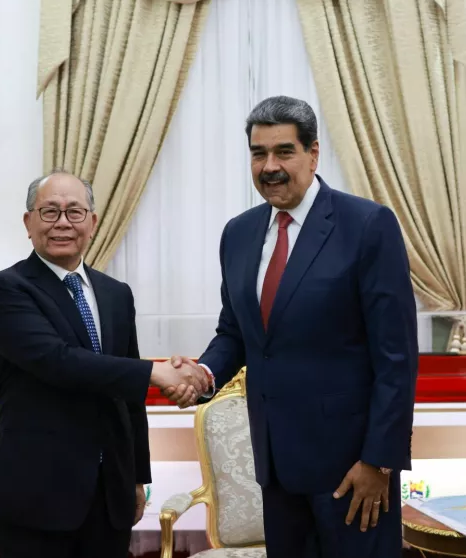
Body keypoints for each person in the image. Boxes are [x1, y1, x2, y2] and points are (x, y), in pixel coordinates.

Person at [170, 96, 419, 557]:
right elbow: (237, 333)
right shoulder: (238, 233)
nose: (270, 166)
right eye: (258, 153)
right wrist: (202, 375)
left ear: (313, 153)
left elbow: (397, 357)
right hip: (276, 468)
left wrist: (379, 463)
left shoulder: (367, 225)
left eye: (284, 151)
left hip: (352, 472)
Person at [0, 170, 210, 558]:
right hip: (37, 496)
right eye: (49, 212)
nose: (63, 223)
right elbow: (58, 362)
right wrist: (159, 372)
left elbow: (128, 397)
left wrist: (137, 478)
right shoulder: (4, 289)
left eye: (74, 212)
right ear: (28, 222)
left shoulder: (116, 294)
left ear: (94, 222)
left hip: (109, 496)